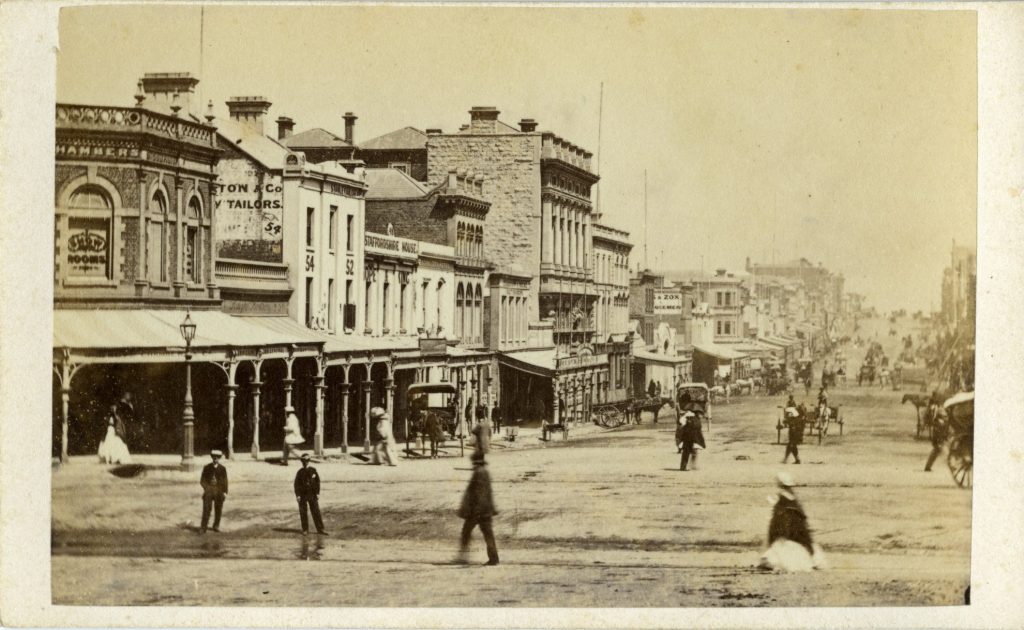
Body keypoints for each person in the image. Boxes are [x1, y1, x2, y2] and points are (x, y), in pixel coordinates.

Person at [758, 473, 826, 572]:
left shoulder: (781, 497)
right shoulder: (793, 497)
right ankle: (811, 560)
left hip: (786, 524)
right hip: (797, 524)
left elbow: (778, 512)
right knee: (803, 542)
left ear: (780, 484)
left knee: (782, 543)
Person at [457, 452, 499, 566]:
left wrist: (476, 511)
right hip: (485, 509)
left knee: (466, 531)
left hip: (477, 510)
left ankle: (463, 556)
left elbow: (479, 493)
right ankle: (494, 558)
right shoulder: (483, 472)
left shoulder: (479, 473)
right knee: (488, 534)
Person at [294, 453, 327, 535]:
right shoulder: (300, 472)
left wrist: (317, 493)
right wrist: (298, 495)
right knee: (303, 512)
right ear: (301, 462)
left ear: (309, 461)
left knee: (316, 511)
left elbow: (317, 482)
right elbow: (296, 484)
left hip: (312, 494)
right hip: (303, 494)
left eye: (306, 461)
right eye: (303, 461)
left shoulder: (313, 470)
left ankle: (320, 529)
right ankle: (305, 529)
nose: (305, 463)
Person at [199, 450, 228, 533]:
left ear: (220, 458)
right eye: (214, 457)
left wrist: (225, 492)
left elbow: (225, 481)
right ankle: (203, 527)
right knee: (206, 509)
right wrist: (207, 488)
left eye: (218, 457)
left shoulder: (222, 469)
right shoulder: (207, 467)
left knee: (218, 509)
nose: (216, 459)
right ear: (212, 457)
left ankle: (216, 525)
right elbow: (202, 480)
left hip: (219, 491)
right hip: (209, 490)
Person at [924, 407, 949, 472]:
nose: (945, 417)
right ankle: (928, 466)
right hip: (938, 440)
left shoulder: (941, 422)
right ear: (940, 416)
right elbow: (937, 433)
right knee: (943, 453)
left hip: (940, 440)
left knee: (935, 453)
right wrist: (938, 442)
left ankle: (928, 466)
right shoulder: (938, 423)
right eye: (944, 416)